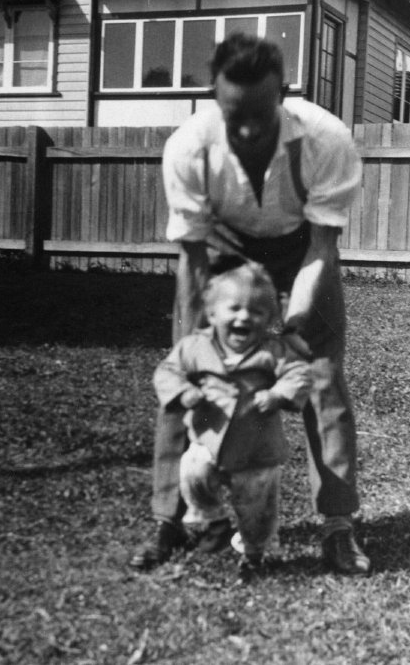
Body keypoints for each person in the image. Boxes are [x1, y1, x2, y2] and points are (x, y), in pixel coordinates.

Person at [130, 32, 371, 575]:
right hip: (222, 247)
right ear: (215, 98)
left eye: (258, 114)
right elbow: (192, 257)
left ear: (281, 96)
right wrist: (196, 343)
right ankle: (173, 520)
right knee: (184, 369)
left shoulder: (326, 139)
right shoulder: (188, 147)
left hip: (300, 247)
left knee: (323, 377)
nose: (245, 129)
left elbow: (320, 247)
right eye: (231, 114)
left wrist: (292, 333)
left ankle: (337, 526)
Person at [153, 262, 311, 580]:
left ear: (268, 319)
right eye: (234, 308)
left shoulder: (272, 351)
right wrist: (184, 392)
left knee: (258, 510)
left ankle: (254, 555)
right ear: (212, 315)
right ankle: (213, 520)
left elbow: (300, 373)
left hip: (256, 450)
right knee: (192, 473)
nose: (244, 317)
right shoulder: (196, 346)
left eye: (255, 312)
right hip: (208, 439)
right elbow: (166, 371)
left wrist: (279, 393)